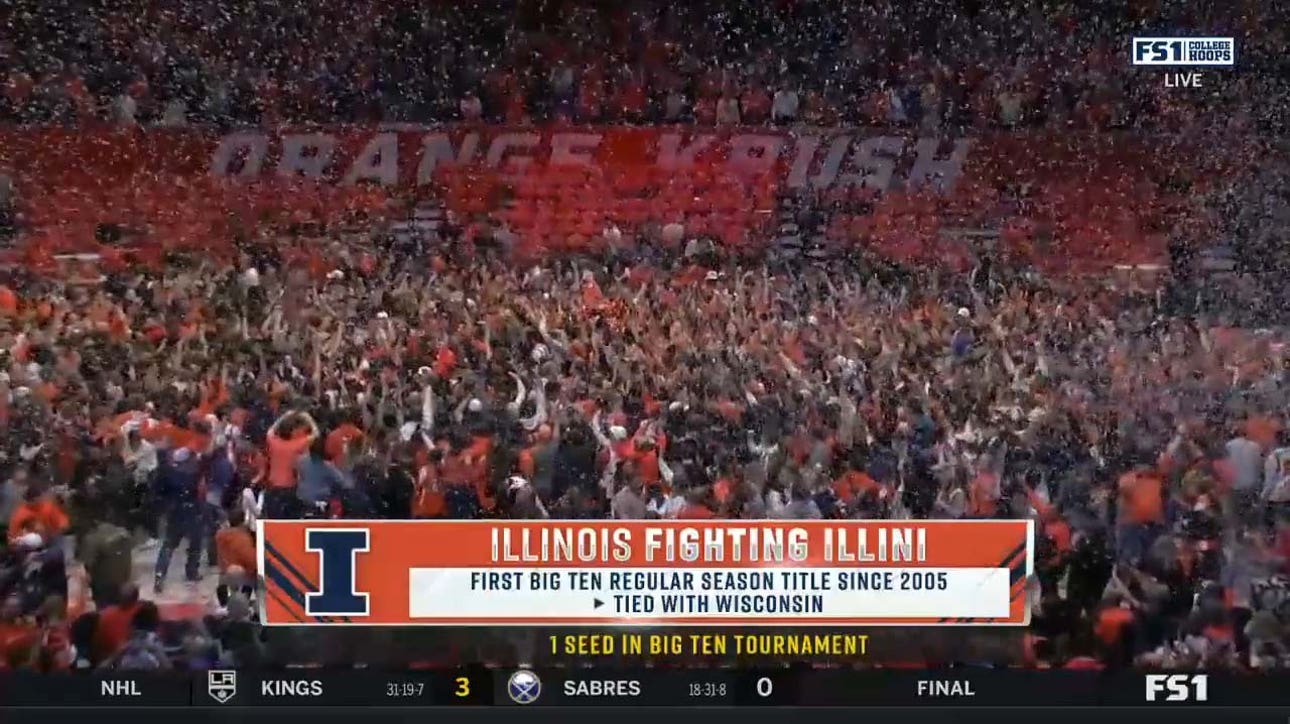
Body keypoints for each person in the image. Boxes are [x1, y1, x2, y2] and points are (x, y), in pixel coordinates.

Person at [152, 446, 205, 593]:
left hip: (175, 513)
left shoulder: (167, 473)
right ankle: (191, 572)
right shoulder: (192, 474)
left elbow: (159, 492)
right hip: (191, 512)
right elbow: (197, 492)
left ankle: (159, 575)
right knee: (195, 544)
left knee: (168, 546)